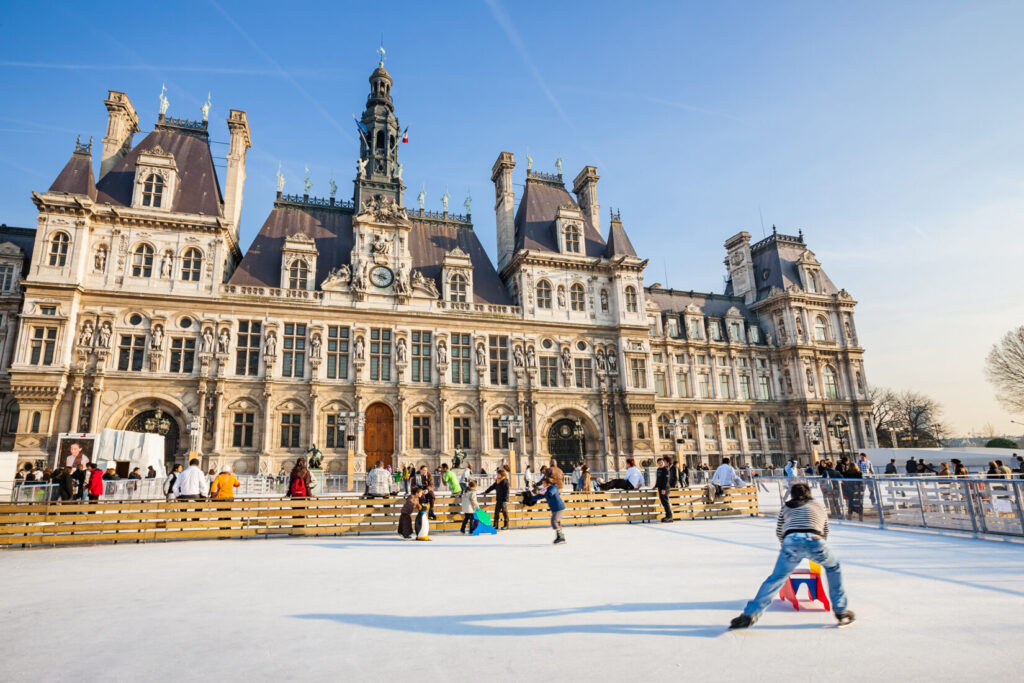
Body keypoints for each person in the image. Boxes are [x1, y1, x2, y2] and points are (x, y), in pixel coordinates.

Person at [729, 483, 854, 629]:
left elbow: (780, 530)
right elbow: (825, 529)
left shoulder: (787, 506)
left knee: (776, 579)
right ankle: (841, 611)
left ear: (793, 495)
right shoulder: (818, 506)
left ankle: (750, 615)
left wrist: (785, 545)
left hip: (791, 540)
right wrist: (819, 547)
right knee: (833, 567)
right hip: (815, 539)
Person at [526, 473, 566, 544]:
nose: (543, 485)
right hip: (554, 508)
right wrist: (531, 498)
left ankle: (560, 536)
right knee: (557, 522)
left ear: (548, 483)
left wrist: (550, 493)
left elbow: (553, 491)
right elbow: (540, 496)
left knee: (554, 521)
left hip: (559, 507)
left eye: (544, 483)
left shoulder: (553, 487)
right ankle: (561, 536)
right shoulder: (545, 490)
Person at [655, 457, 673, 522]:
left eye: (661, 462)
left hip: (665, 488)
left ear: (663, 463)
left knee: (665, 502)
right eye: (659, 463)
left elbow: (666, 480)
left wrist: (664, 489)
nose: (660, 464)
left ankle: (670, 516)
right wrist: (655, 486)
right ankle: (667, 515)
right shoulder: (658, 470)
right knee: (663, 503)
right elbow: (658, 479)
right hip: (660, 488)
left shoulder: (666, 469)